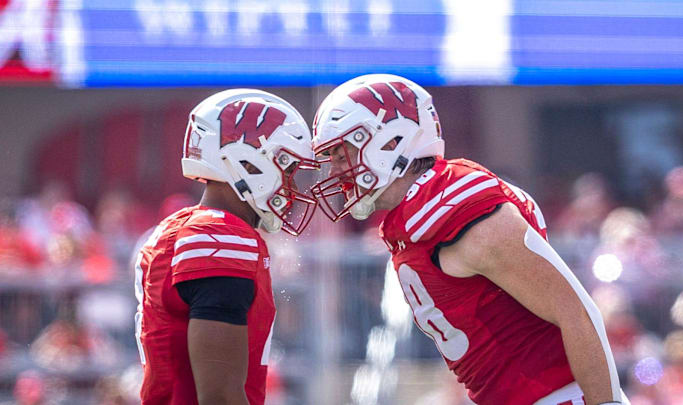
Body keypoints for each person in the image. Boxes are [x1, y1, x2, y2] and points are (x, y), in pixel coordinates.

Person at [311, 74, 629, 405]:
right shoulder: (411, 221)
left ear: (390, 142)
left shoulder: (456, 206)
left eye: (342, 152)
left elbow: (575, 310)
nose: (336, 170)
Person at [134, 89, 318, 405]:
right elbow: (220, 396)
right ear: (246, 162)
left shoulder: (183, 226)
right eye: (287, 167)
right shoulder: (221, 235)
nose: (293, 185)